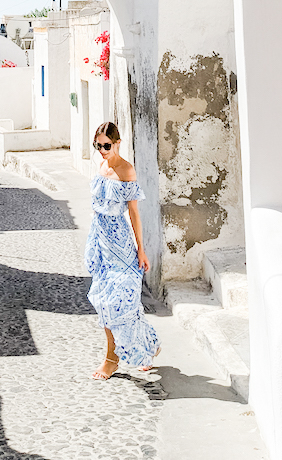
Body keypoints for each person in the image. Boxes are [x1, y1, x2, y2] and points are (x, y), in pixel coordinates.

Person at [85, 121, 160, 379]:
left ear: (117, 143)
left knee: (123, 303)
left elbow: (134, 213)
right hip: (101, 244)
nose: (102, 151)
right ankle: (147, 347)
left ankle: (113, 358)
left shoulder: (127, 170)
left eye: (106, 145)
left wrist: (142, 250)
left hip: (122, 246)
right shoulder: (100, 166)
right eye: (98, 146)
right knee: (104, 301)